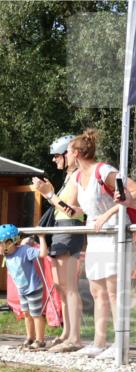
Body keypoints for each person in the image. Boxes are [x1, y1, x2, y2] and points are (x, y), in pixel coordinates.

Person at [52, 130, 136, 359]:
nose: (63, 156)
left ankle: (121, 343)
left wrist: (107, 215)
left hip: (115, 234)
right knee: (96, 290)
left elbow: (131, 193)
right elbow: (77, 211)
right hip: (96, 237)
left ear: (76, 153)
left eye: (67, 152)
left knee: (114, 289)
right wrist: (50, 195)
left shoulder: (104, 170)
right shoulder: (78, 178)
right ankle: (99, 342)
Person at [31, 135, 85, 353]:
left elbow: (70, 210)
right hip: (62, 231)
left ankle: (75, 337)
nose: (54, 160)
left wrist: (50, 194)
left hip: (70, 230)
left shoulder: (78, 176)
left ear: (69, 154)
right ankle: (66, 333)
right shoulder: (69, 177)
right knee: (61, 287)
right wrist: (51, 192)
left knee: (70, 287)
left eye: (56, 156)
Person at [0, 224, 49, 350]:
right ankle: (30, 337)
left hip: (33, 288)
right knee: (26, 314)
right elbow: (21, 243)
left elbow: (43, 253)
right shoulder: (7, 254)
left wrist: (42, 237)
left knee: (36, 314)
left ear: (9, 242)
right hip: (22, 289)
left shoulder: (24, 250)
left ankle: (40, 340)